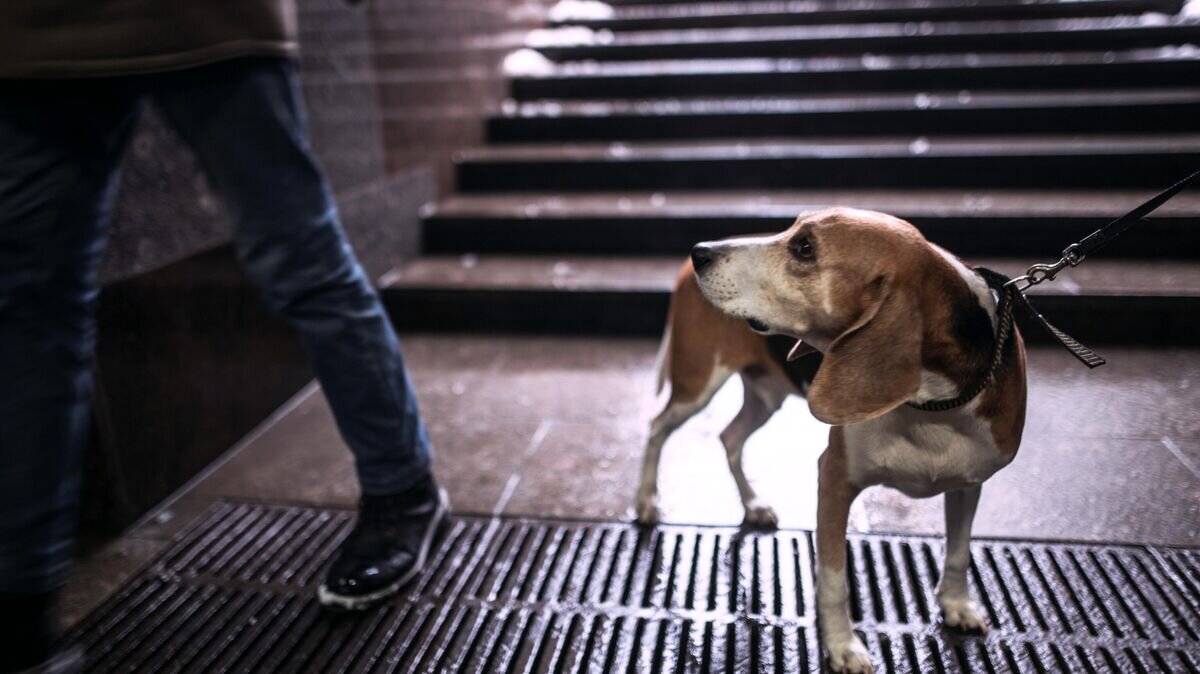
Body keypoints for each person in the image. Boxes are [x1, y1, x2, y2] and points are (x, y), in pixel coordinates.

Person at [0, 3, 447, 671]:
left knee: (302, 261)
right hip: (34, 35)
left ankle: (402, 486)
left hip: (209, 22)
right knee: (28, 312)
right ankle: (20, 600)